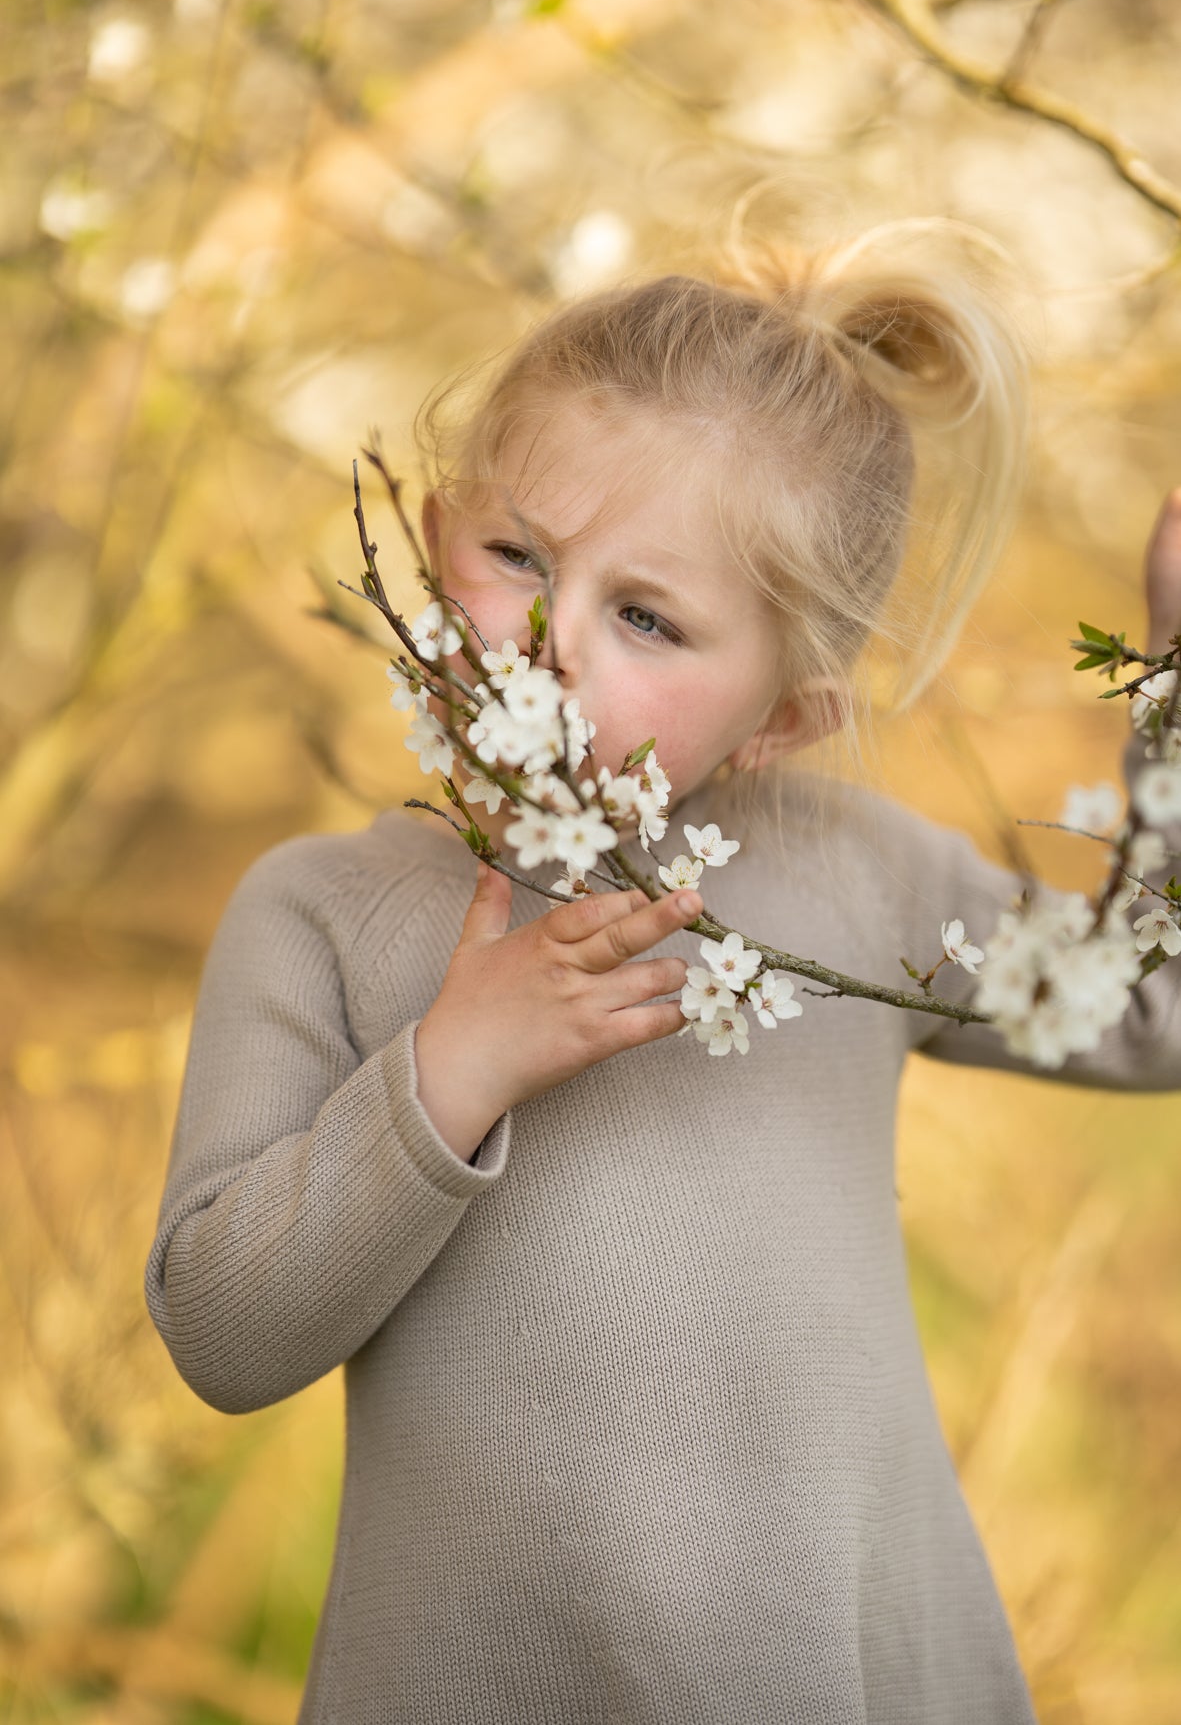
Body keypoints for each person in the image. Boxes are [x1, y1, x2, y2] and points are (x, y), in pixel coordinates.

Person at [144, 218, 1181, 1724]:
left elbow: (1150, 1009)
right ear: (436, 536)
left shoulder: (853, 876)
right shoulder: (321, 914)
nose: (551, 644)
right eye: (518, 557)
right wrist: (450, 1077)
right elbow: (223, 1339)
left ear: (780, 718)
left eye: (646, 617)